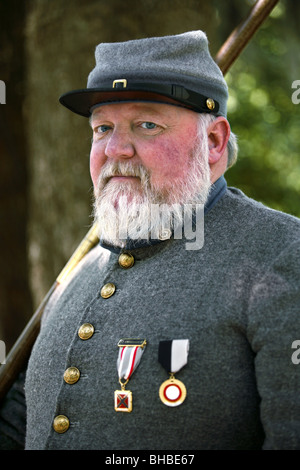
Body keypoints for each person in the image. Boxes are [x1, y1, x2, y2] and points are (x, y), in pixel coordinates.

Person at [1, 30, 300, 451]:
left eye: (146, 125)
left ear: (213, 141)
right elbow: (23, 424)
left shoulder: (282, 253)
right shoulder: (82, 269)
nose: (116, 149)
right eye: (102, 128)